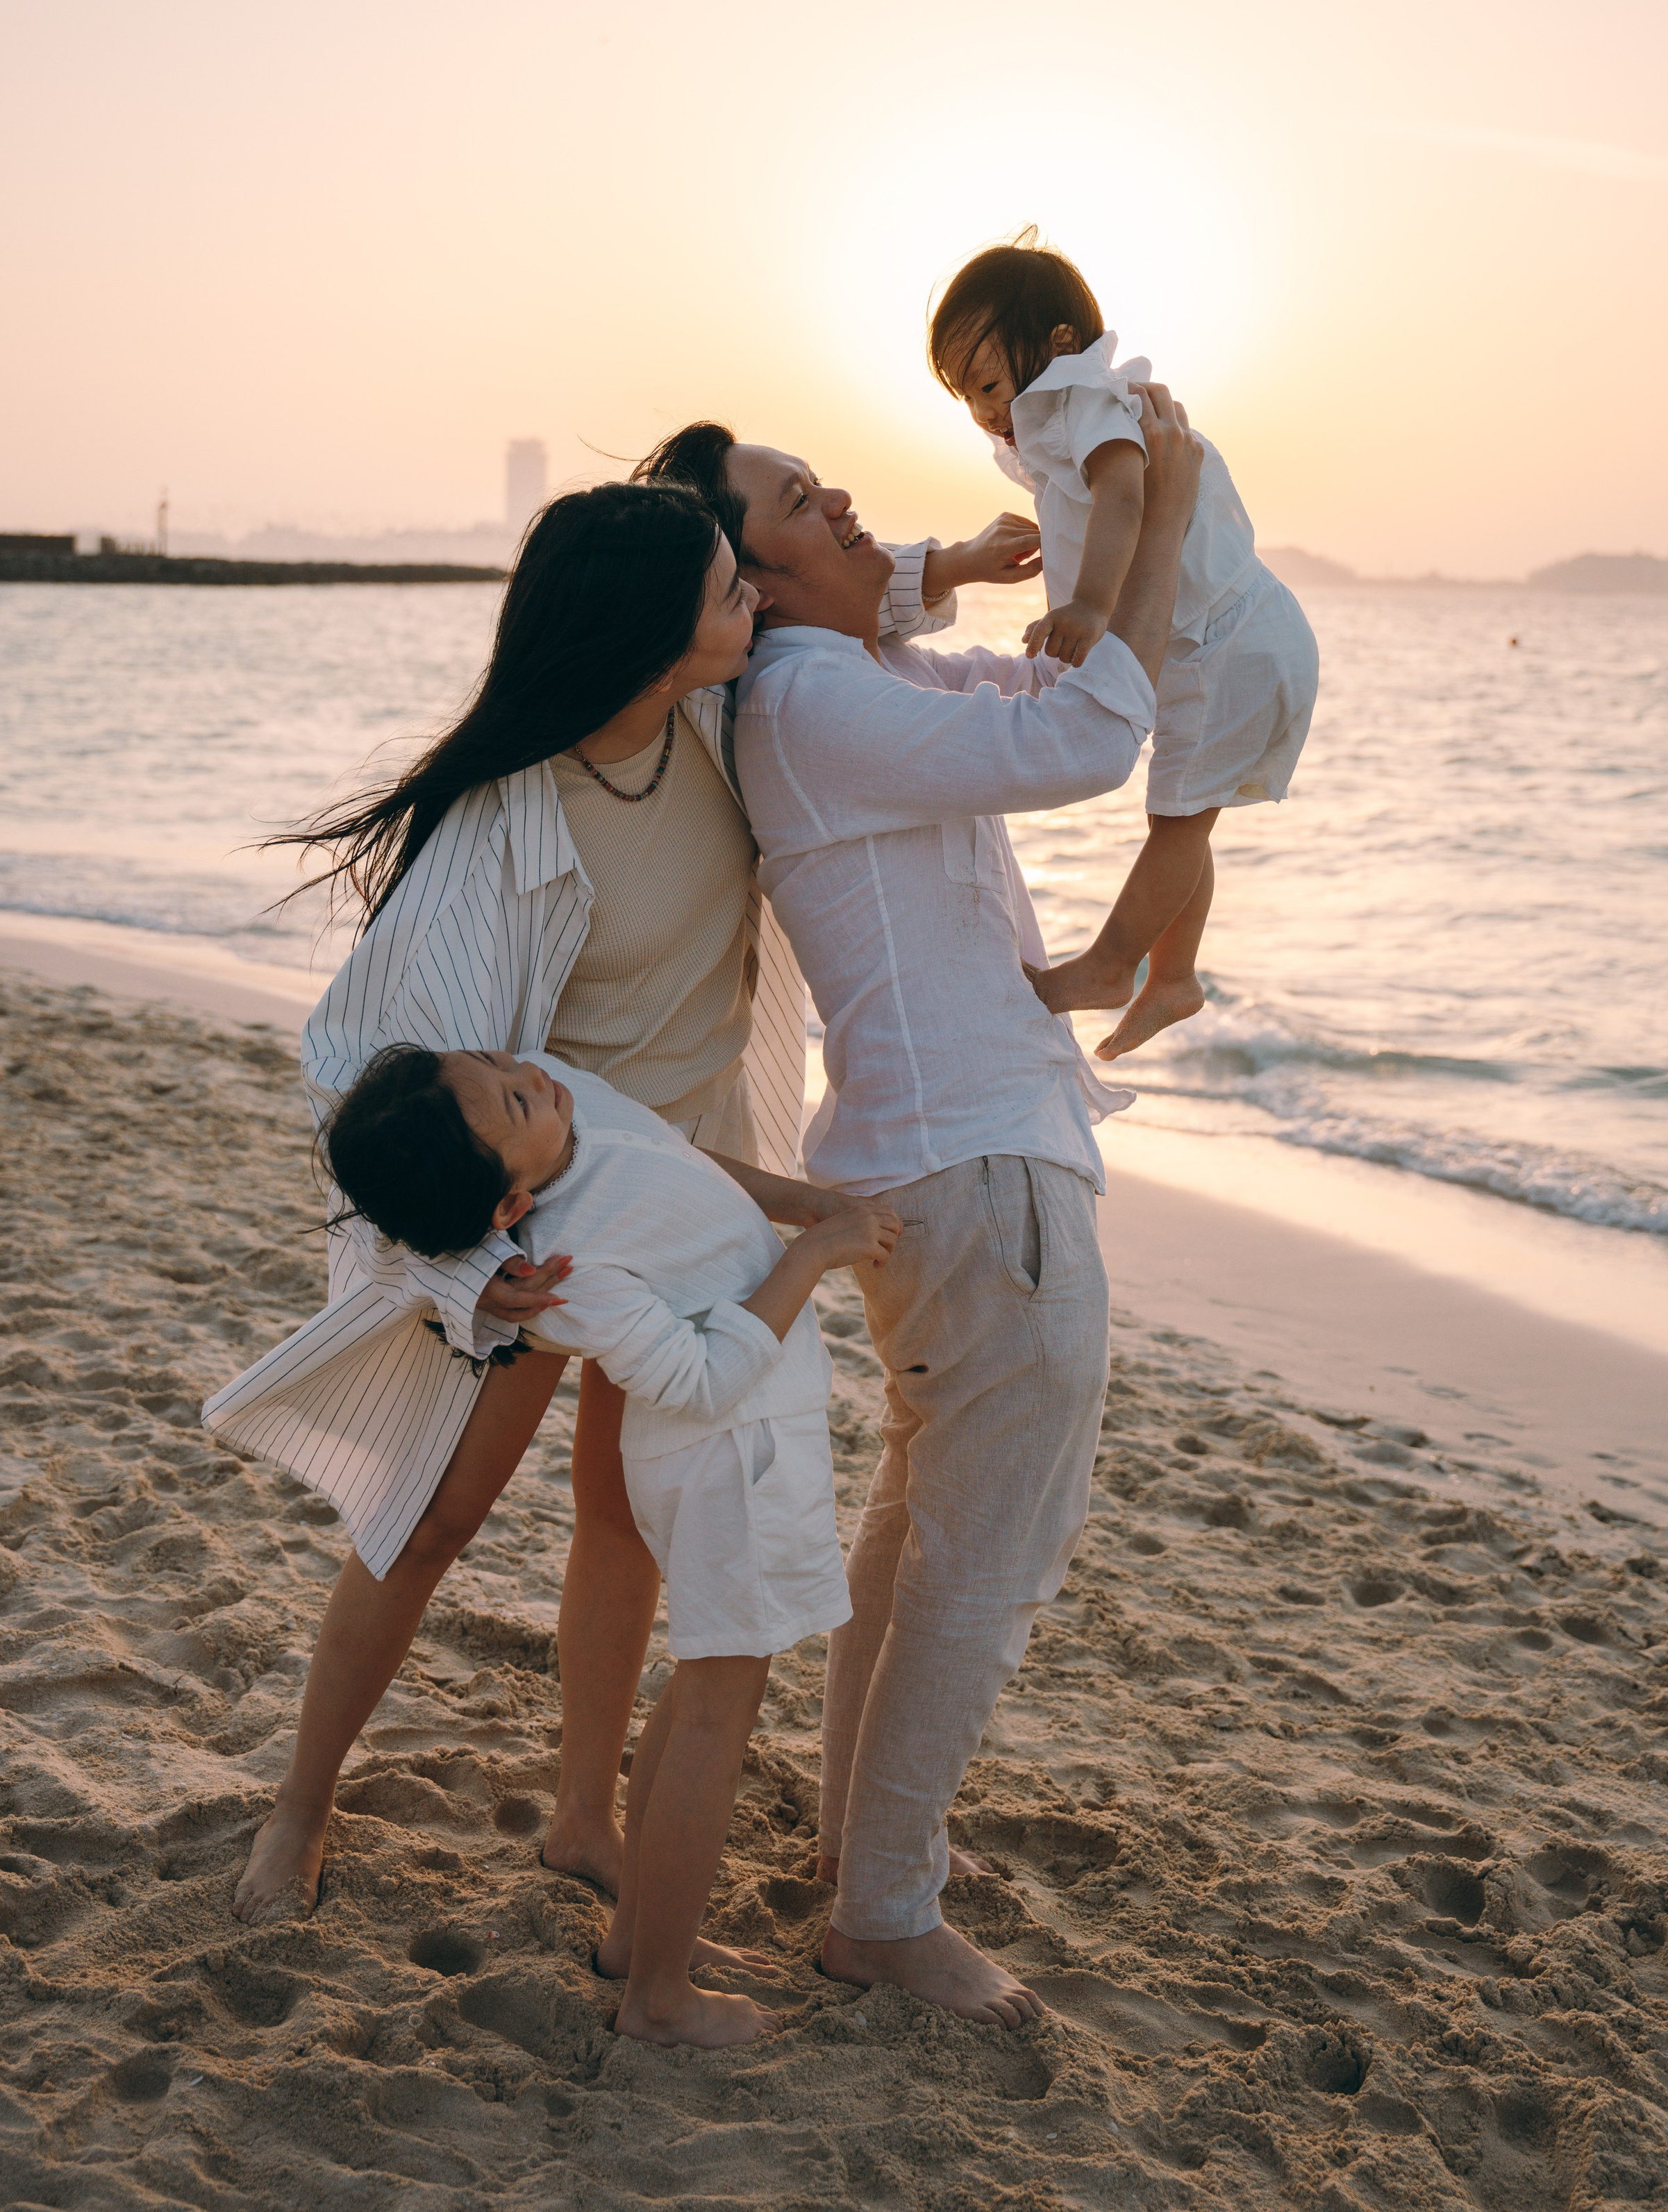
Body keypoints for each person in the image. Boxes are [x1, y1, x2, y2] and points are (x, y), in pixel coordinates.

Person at [207, 478, 1025, 1923]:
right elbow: (370, 1073)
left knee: (623, 1510)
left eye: (740, 581)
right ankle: (299, 1803)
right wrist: (471, 1274)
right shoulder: (496, 825)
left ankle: (583, 1816)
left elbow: (815, 578)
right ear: (653, 636)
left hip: (693, 1176)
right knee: (436, 1515)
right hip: (553, 1197)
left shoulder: (723, 710)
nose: (753, 598)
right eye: (725, 590)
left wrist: (950, 560)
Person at [641, 398, 1201, 2026]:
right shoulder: (816, 699)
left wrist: (969, 568)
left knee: (915, 1533)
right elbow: (1097, 734)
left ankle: (855, 1863)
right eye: (800, 506)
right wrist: (1150, 511)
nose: (841, 506)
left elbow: (1025, 679)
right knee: (979, 1559)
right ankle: (882, 1910)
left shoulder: (840, 676)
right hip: (973, 1171)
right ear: (746, 589)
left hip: (937, 1164)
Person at [309, 1042, 899, 2047]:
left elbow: (690, 1161)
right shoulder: (571, 1269)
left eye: (498, 1062)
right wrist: (811, 1256)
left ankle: (639, 1942)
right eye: (510, 1097)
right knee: (719, 1709)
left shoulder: (574, 1118)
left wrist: (811, 1206)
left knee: (709, 1682)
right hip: (733, 1457)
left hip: (754, 1442)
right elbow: (702, 1381)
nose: (529, 1071)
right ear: (506, 1210)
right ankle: (658, 1997)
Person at [930, 232, 1319, 1057]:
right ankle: (1173, 978)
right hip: (1213, 645)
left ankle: (1112, 966)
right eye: (965, 396)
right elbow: (1088, 499)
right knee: (1183, 814)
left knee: (1177, 821)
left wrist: (1090, 604)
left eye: (989, 382)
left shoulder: (1086, 396)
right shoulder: (1055, 413)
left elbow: (1123, 490)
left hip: (1229, 642)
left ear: (1059, 345)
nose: (983, 411)